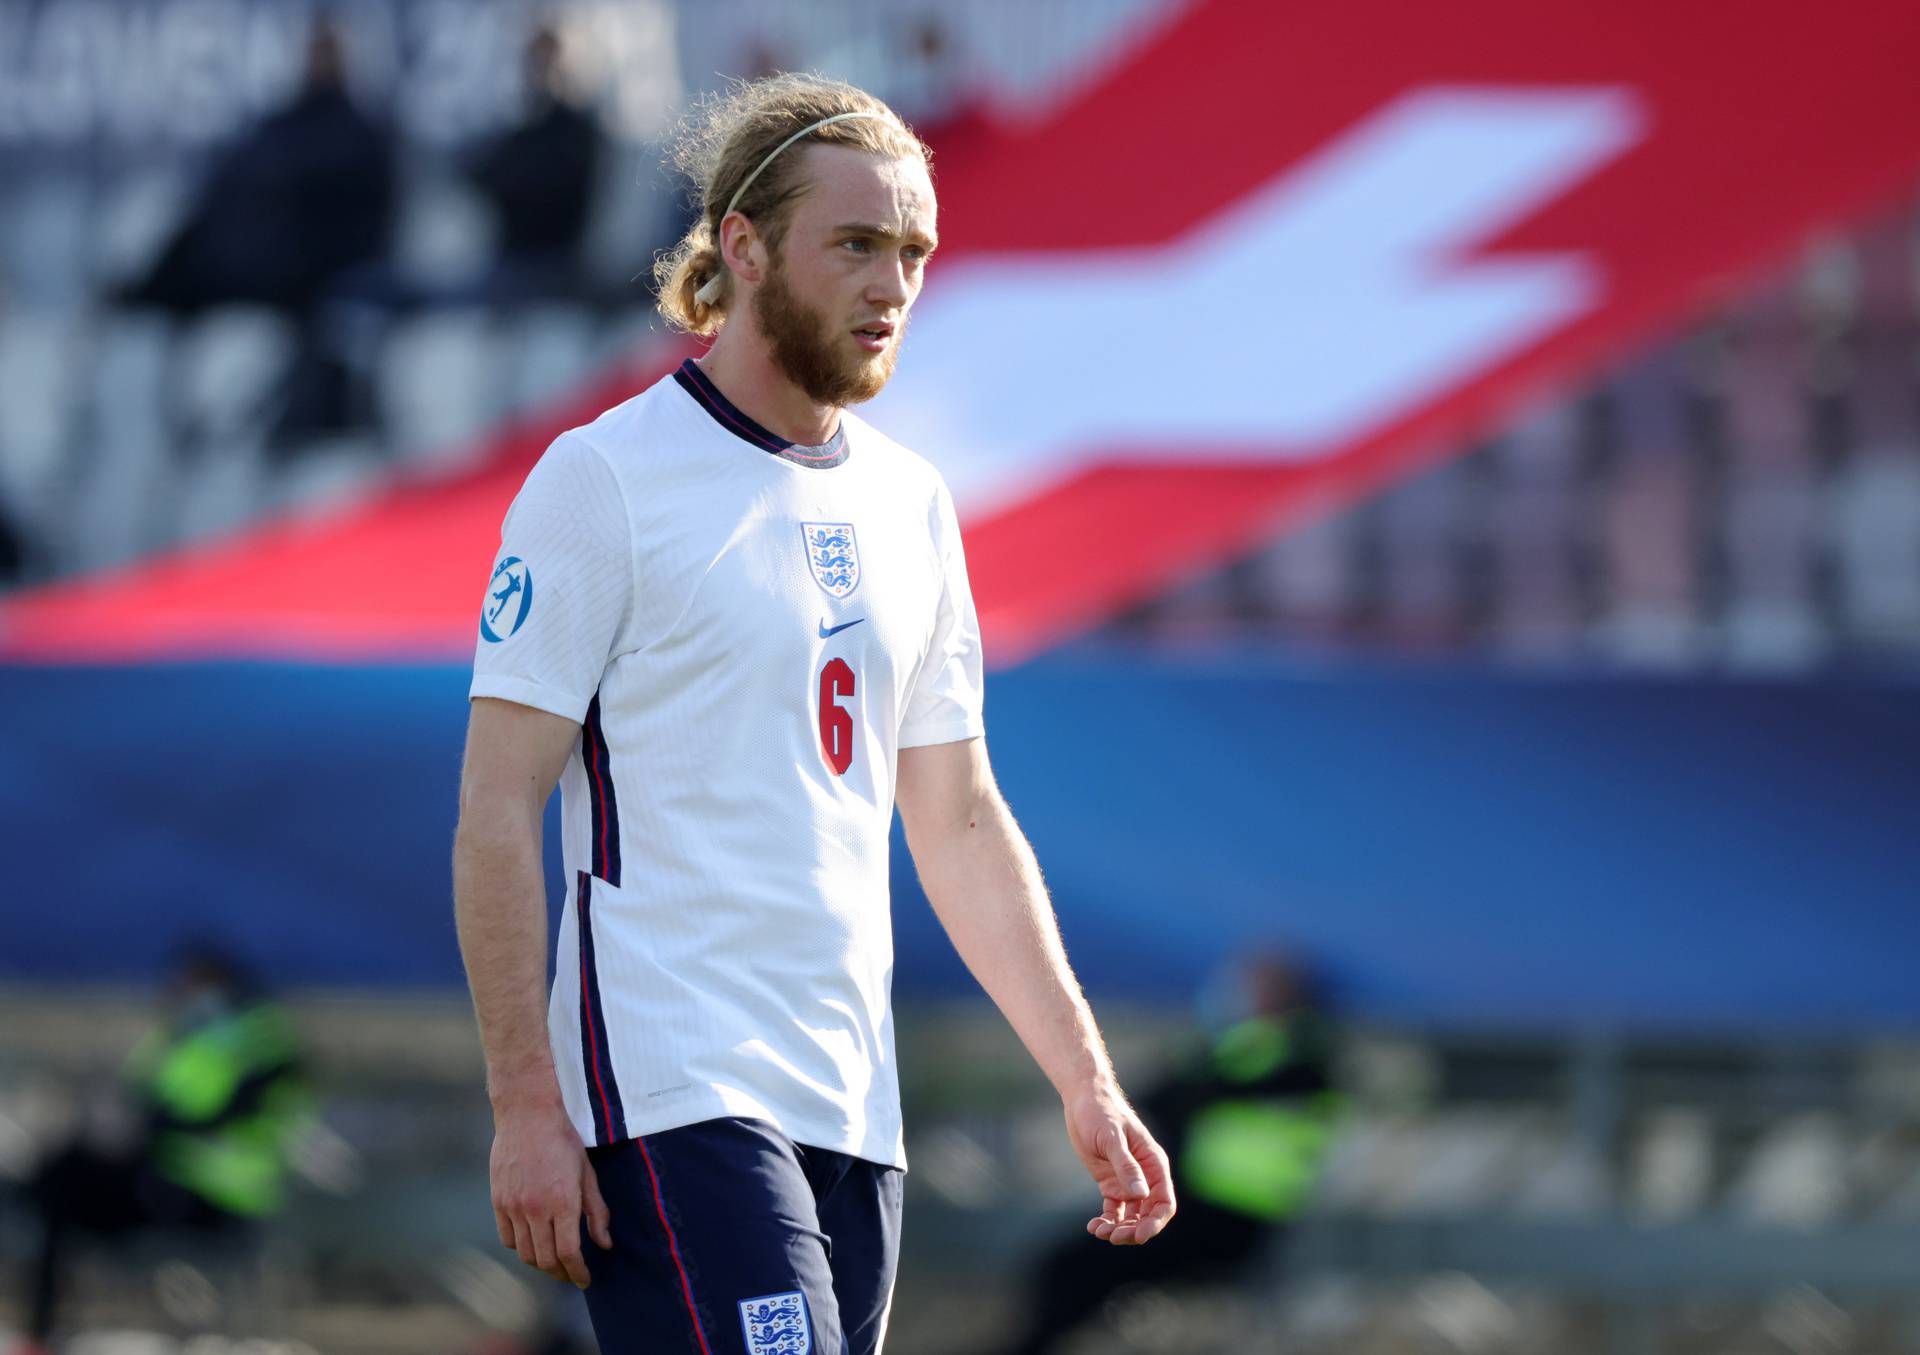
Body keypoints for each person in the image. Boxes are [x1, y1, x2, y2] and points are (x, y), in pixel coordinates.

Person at [452, 72, 1176, 1355]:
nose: (892, 283)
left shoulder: (912, 505)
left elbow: (955, 816)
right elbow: (498, 804)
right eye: (855, 243)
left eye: (913, 251)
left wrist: (1083, 1074)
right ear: (743, 244)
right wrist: (526, 1102)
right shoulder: (604, 479)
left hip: (853, 1104)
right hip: (675, 1081)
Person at [994, 953, 1343, 1355]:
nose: (1243, 995)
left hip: (1233, 1221)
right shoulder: (1234, 1049)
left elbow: (1200, 1096)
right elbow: (1162, 1096)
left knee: (1077, 1268)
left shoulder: (1306, 1061)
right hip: (1185, 1207)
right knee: (1065, 1265)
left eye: (1259, 985)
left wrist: (1190, 1089)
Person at [17, 945, 309, 1353]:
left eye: (202, 985)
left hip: (221, 1198)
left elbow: (221, 1117)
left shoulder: (265, 1046)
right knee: (61, 1178)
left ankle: (40, 1331)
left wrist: (157, 1130)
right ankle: (41, 1332)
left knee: (63, 1185)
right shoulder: (179, 1039)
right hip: (160, 1179)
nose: (191, 995)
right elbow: (138, 1104)